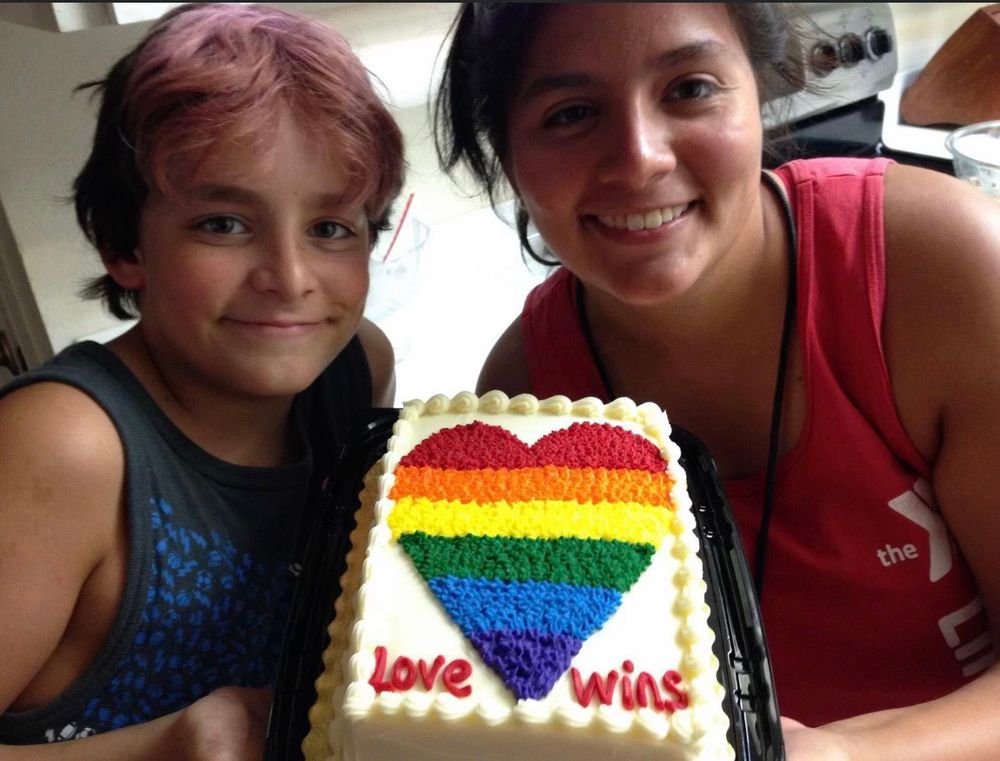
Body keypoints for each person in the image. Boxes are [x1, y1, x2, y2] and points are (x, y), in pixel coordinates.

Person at [435, 3, 1000, 759]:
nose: (639, 158)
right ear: (506, 157)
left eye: (690, 88)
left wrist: (854, 752)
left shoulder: (935, 271)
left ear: (759, 97)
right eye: (571, 113)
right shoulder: (531, 396)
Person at [0, 3, 404, 757]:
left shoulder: (356, 371)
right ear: (124, 245)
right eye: (224, 223)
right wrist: (166, 744)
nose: (289, 280)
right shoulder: (65, 446)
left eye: (329, 228)